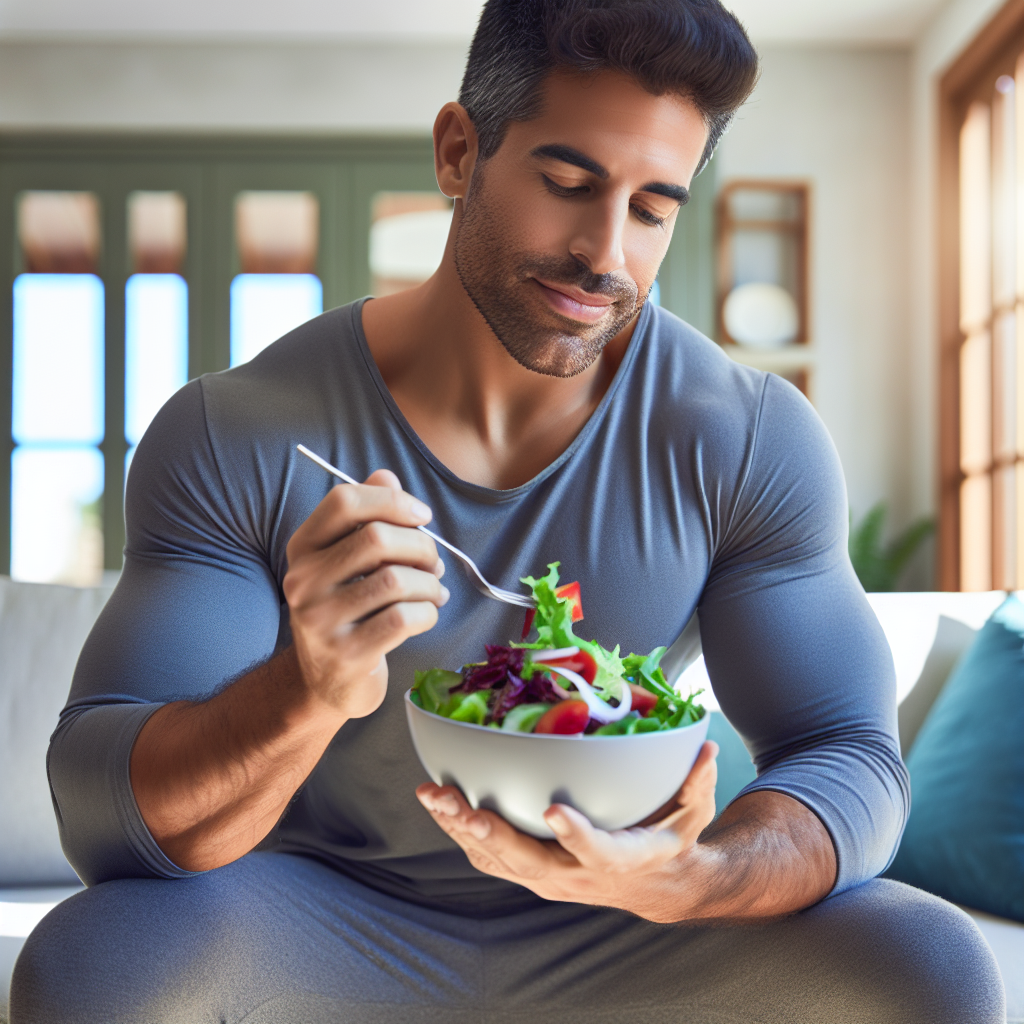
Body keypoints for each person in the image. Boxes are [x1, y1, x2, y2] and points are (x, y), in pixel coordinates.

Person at [11, 1, 1004, 1021]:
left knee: (930, 964)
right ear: (457, 151)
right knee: (91, 964)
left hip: (636, 925)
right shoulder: (239, 431)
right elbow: (104, 820)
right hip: (323, 915)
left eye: (653, 207)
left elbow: (846, 752)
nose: (605, 255)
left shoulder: (744, 435)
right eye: (568, 183)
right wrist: (302, 690)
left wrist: (694, 877)